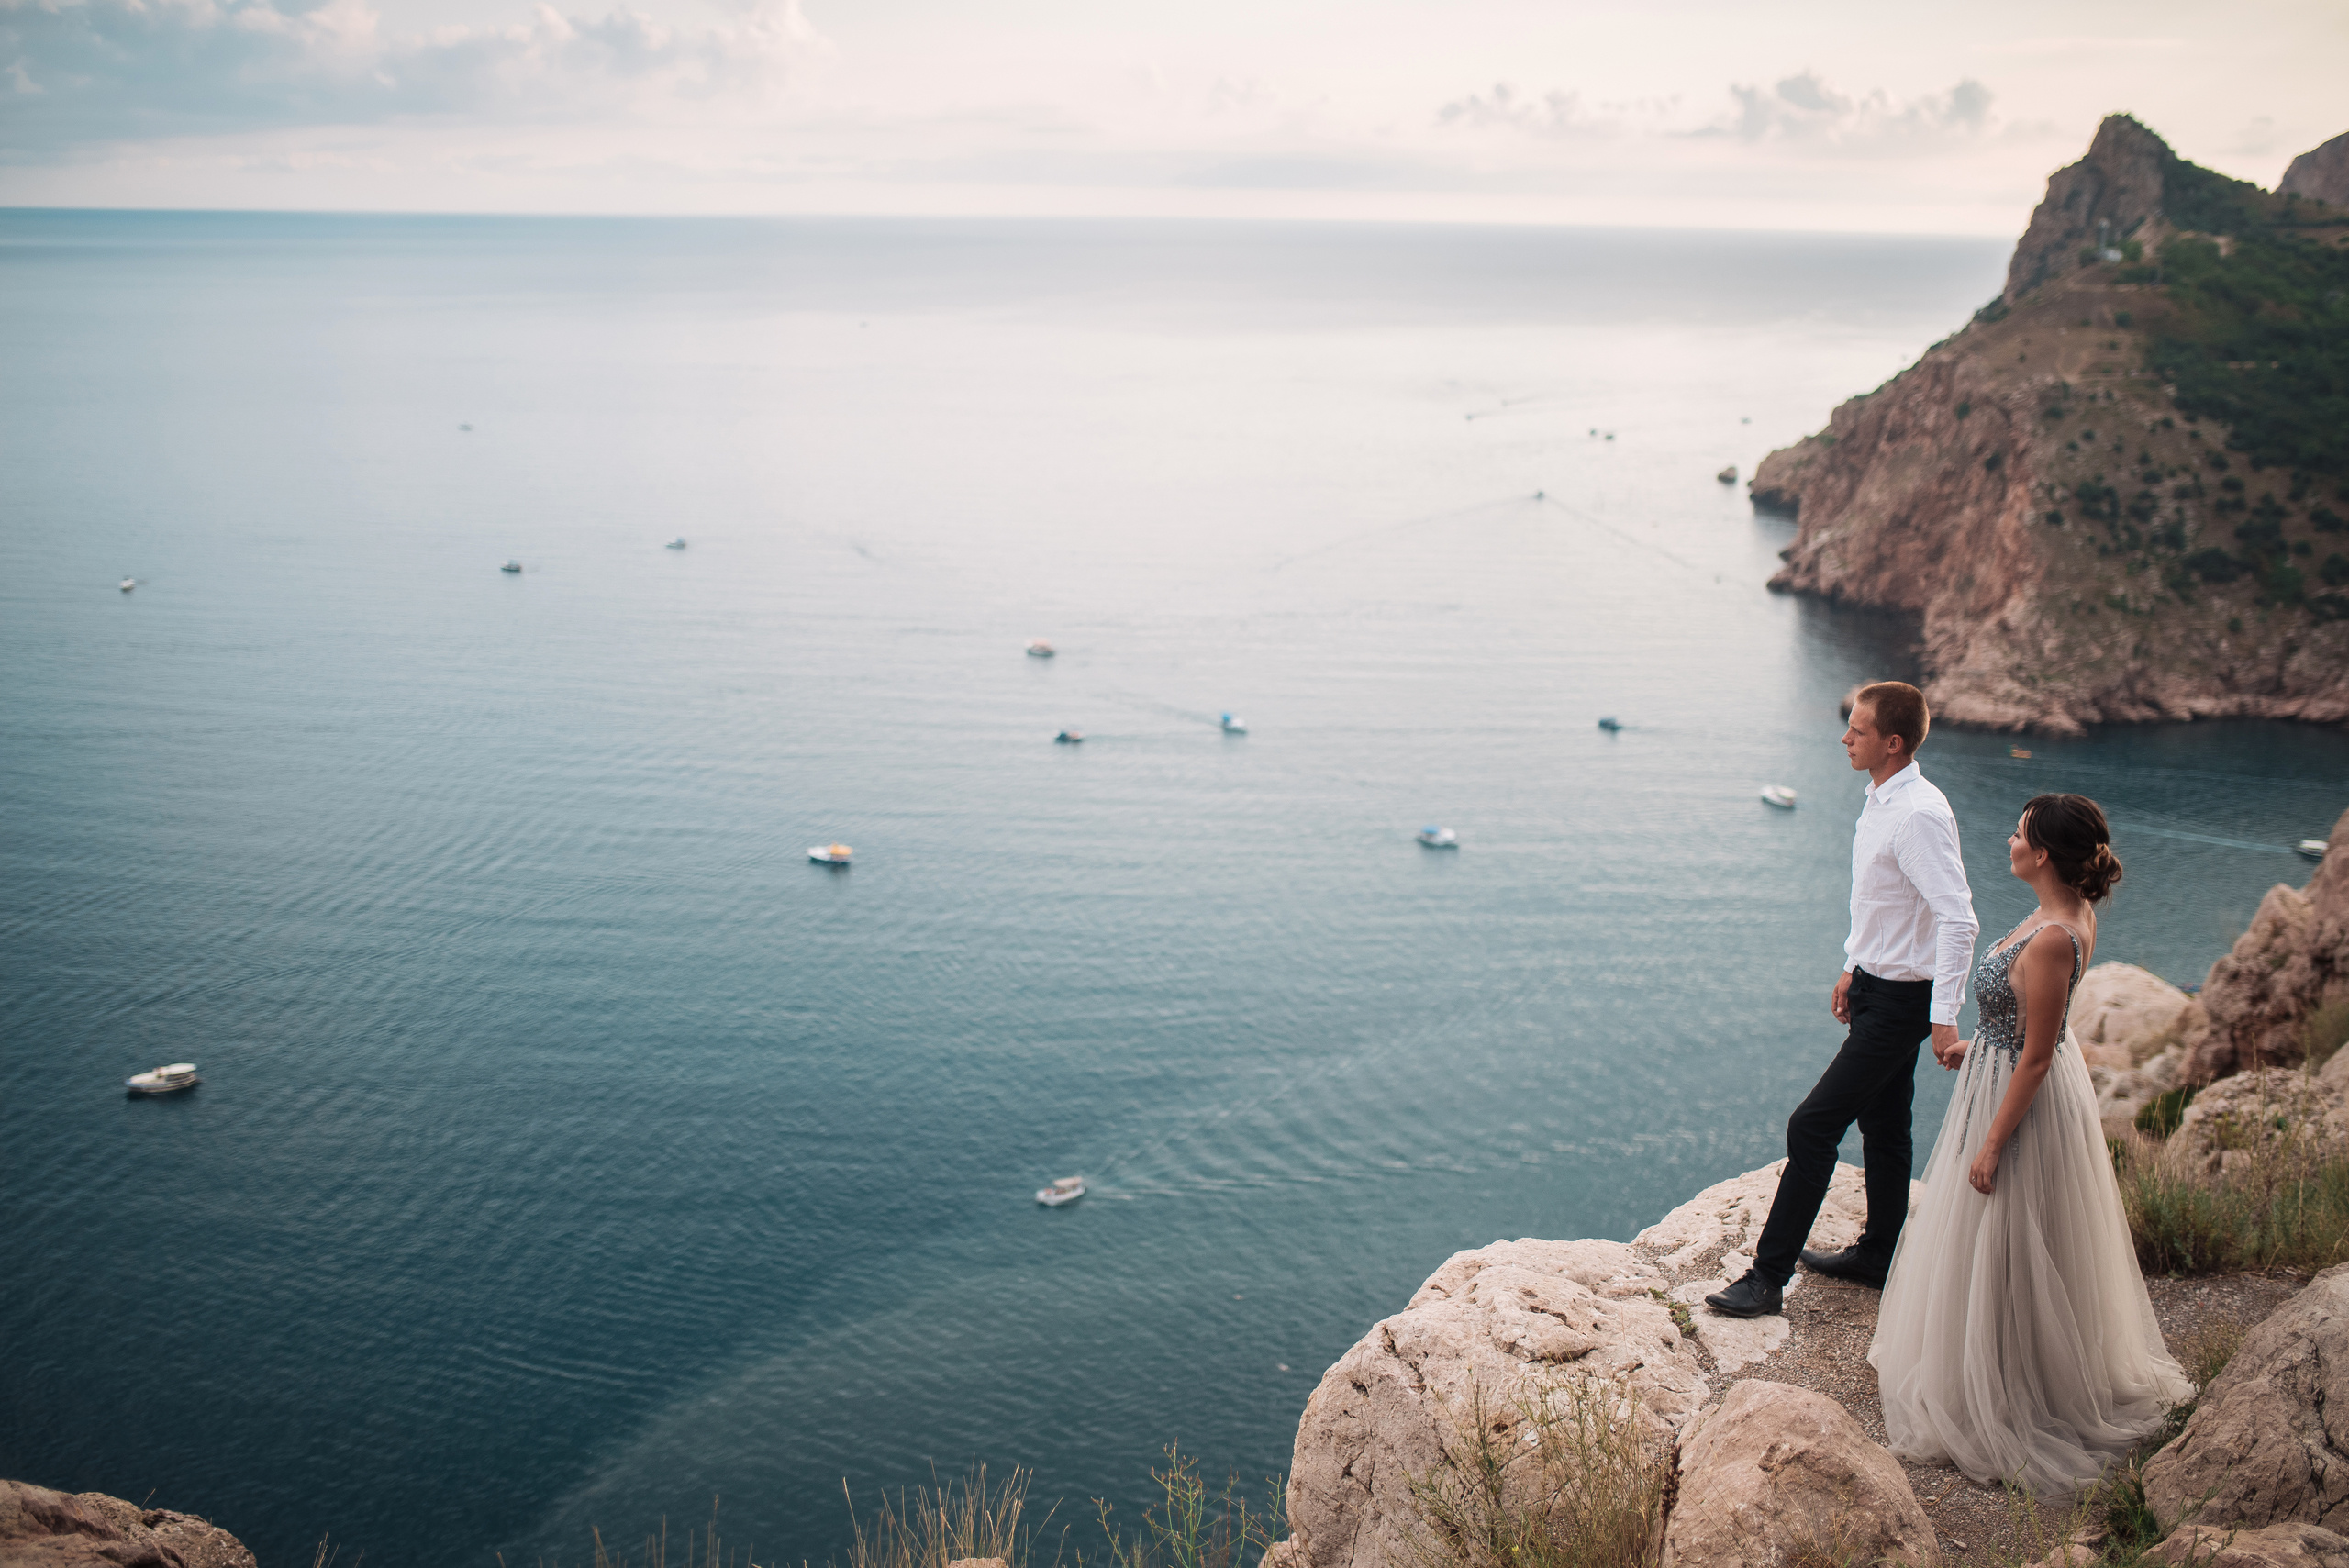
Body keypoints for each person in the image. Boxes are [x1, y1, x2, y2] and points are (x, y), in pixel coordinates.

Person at [1869, 795, 2190, 1494]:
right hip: (2004, 1073)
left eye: (2018, 831)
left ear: (2042, 852)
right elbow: (2026, 1024)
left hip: (2021, 1101)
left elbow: (2038, 1055)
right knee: (2006, 1238)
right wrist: (1981, 1045)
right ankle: (2003, 1367)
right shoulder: (2060, 912)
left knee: (2007, 1234)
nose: (2008, 837)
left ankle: (2009, 1391)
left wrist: (1990, 1144)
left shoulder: (2052, 934)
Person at [1706, 681, 1979, 1319]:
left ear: (1892, 742)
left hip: (1906, 1002)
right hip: (1876, 986)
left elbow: (1958, 919)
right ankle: (1879, 1254)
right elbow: (1883, 901)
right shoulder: (1880, 797)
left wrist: (1944, 1017)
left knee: (1812, 1123)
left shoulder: (1919, 814)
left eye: (1857, 730)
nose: (1844, 737)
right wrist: (1853, 966)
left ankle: (1767, 1278)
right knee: (1884, 1125)